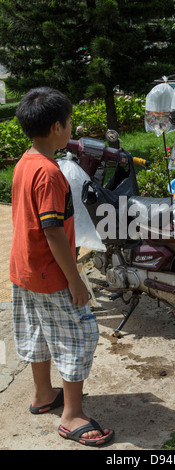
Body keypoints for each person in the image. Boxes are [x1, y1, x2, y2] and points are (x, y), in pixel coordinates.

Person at [10, 87, 114, 447]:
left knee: (39, 333)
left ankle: (42, 396)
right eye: (70, 122)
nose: (72, 127)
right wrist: (76, 281)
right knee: (78, 337)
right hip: (50, 274)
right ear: (57, 127)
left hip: (23, 269)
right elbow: (53, 232)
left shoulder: (25, 162)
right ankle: (72, 415)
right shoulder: (50, 173)